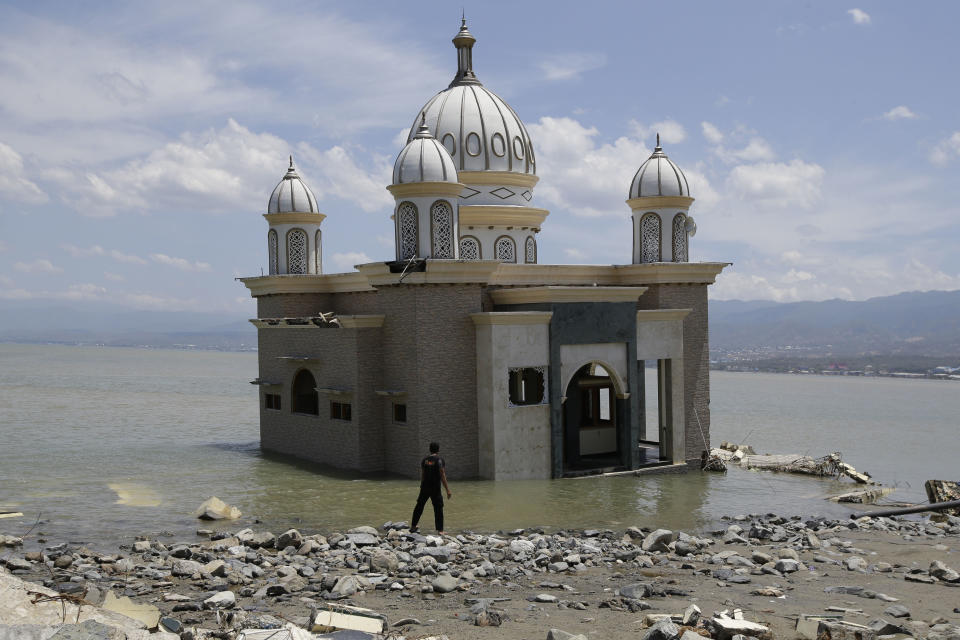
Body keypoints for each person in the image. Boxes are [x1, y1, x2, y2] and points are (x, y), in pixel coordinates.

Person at [410, 441, 451, 535]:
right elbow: (442, 475)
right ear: (438, 450)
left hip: (424, 487)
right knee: (438, 508)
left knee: (419, 506)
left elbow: (423, 474)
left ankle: (413, 526)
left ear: (430, 449)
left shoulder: (425, 460)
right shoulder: (439, 460)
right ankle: (440, 531)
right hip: (435, 488)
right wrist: (447, 490)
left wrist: (421, 485)